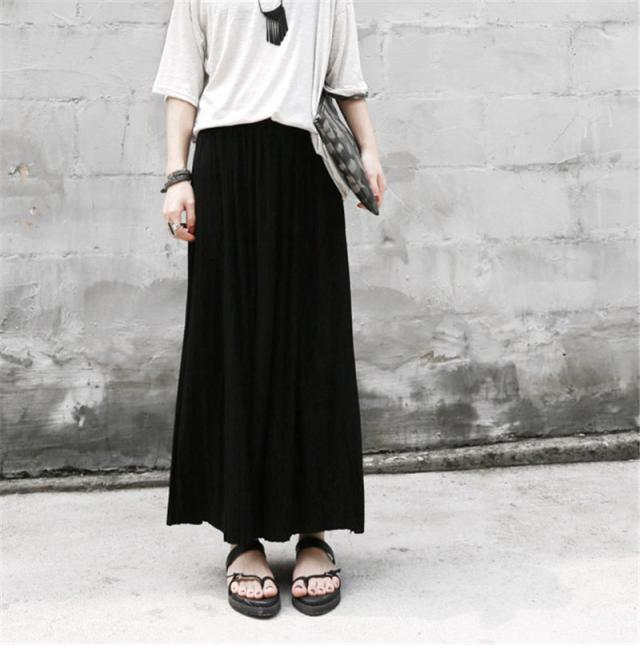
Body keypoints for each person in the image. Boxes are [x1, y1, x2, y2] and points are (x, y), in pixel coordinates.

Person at [151, 0, 386, 618]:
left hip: (306, 169)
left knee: (313, 344)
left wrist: (369, 151)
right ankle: (244, 538)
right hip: (225, 169)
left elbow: (345, 78)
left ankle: (315, 534)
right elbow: (183, 83)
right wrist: (177, 175)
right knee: (234, 343)